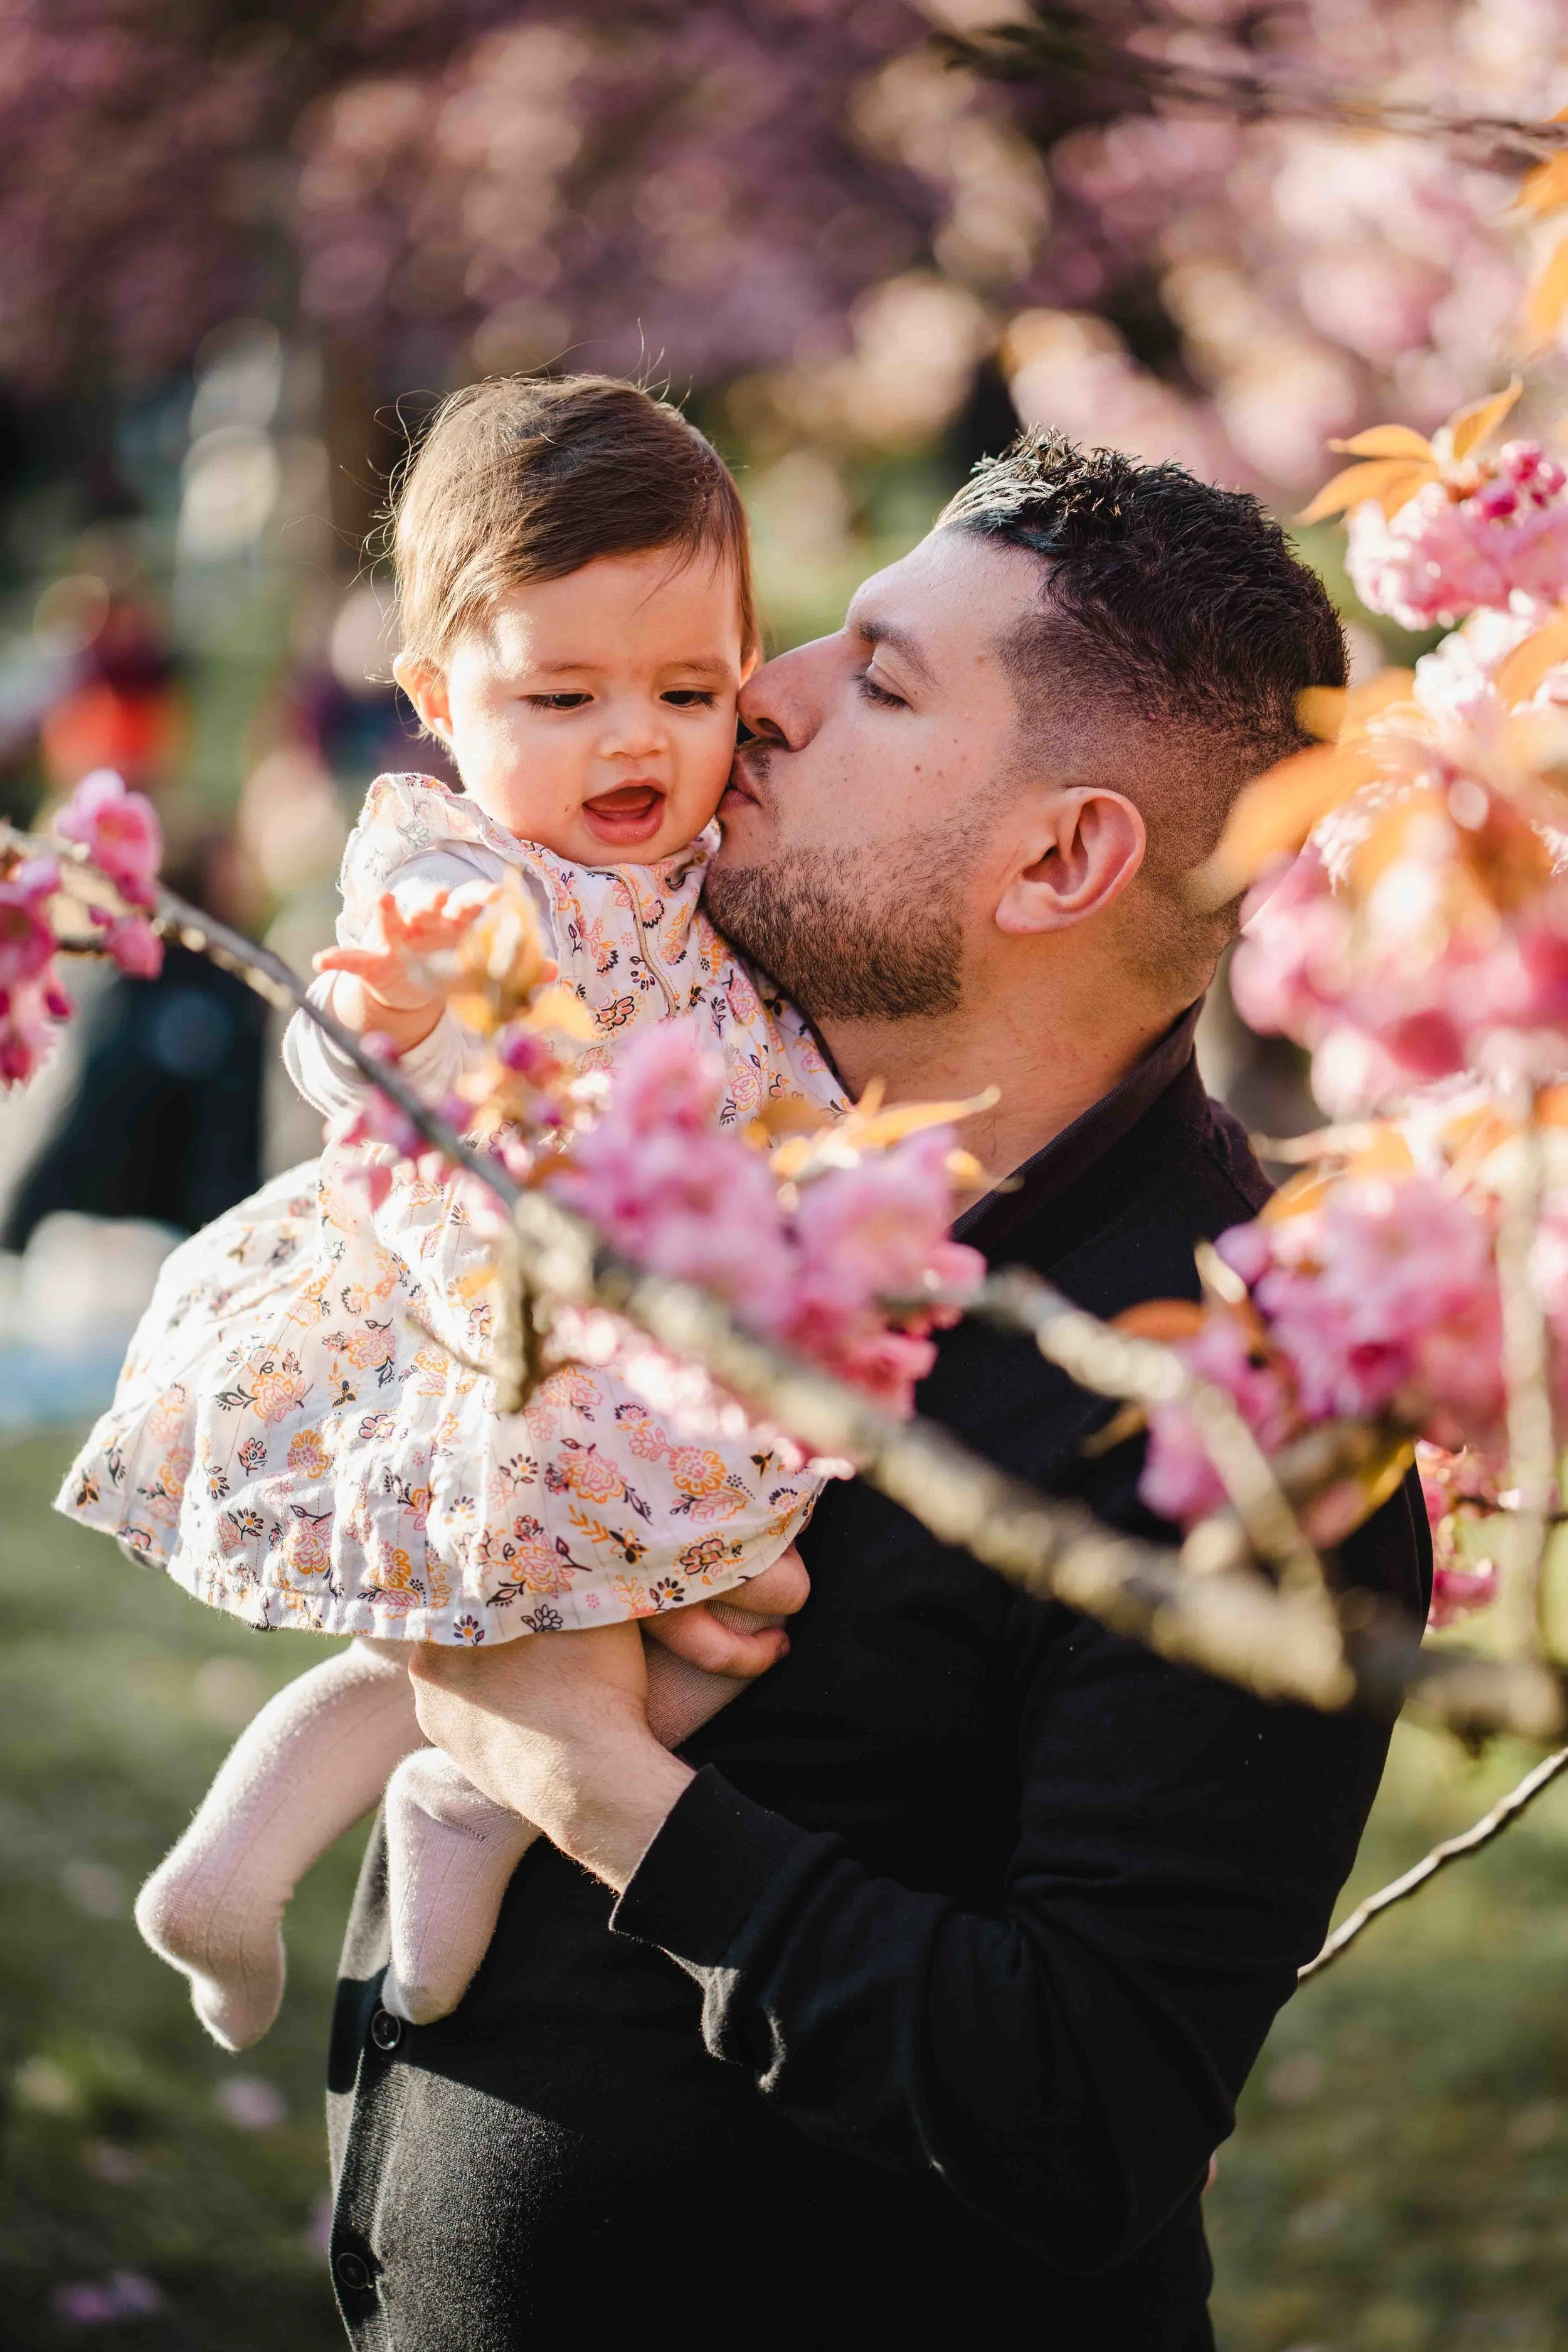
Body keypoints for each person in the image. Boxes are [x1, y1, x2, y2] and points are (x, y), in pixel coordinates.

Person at [327, 432, 1431, 2348]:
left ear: (1064, 855)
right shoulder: (693, 1131)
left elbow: (1087, 2111)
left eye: (883, 678)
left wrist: (589, 1775)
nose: (757, 696)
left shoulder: (1244, 1418)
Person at [55, 376, 969, 2054]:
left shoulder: (710, 867)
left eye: (688, 689)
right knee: (616, 1598)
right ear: (436, 697)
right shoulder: (458, 869)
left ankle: (402, 1817)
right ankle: (370, 1824)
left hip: (670, 1305)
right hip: (503, 1315)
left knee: (721, 1600)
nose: (633, 739)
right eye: (562, 693)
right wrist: (386, 1029)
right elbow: (356, 1041)